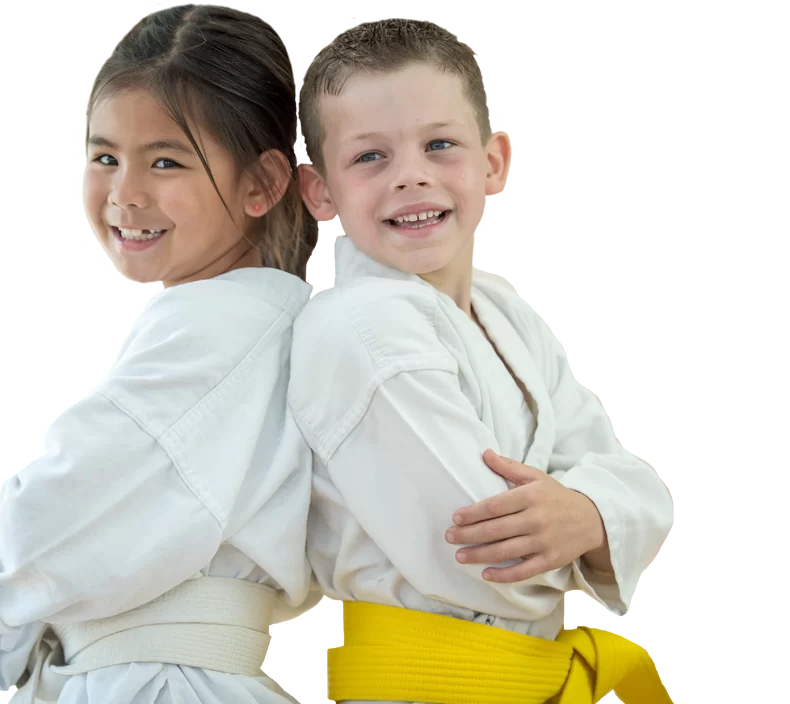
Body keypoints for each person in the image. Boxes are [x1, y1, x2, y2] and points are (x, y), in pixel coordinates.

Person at [289, 18, 676, 704]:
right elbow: (496, 561)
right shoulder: (361, 329)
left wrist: (586, 509)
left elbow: (634, 482)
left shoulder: (509, 317)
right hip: (434, 681)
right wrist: (591, 514)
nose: (411, 176)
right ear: (321, 193)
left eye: (440, 145)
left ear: (492, 162)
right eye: (369, 157)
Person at [0, 4, 321, 703]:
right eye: (105, 156)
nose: (124, 194)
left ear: (263, 184)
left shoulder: (222, 328)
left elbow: (43, 533)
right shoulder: (259, 320)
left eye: (166, 161)